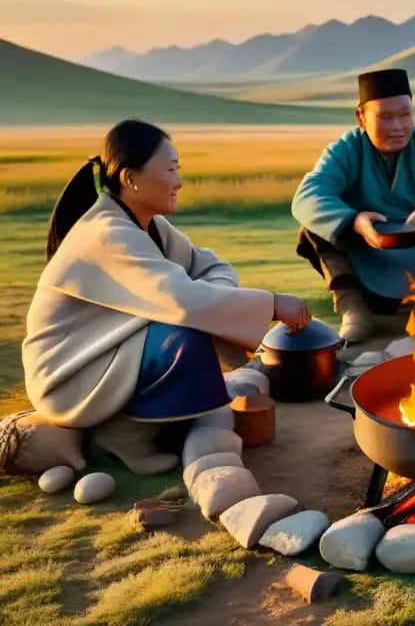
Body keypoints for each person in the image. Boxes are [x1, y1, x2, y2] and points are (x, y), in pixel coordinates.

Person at [19, 119, 310, 476]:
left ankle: (148, 422)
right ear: (130, 178)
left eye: (178, 169)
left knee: (196, 317)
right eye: (170, 169)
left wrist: (217, 301)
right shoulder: (107, 234)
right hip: (72, 373)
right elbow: (184, 302)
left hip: (110, 355)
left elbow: (210, 265)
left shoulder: (148, 225)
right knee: (185, 332)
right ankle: (124, 437)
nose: (179, 181)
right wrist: (273, 303)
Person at [292, 68, 415, 344]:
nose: (398, 126)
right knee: (313, 226)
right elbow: (308, 195)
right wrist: (355, 221)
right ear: (361, 118)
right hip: (367, 256)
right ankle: (353, 308)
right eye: (385, 117)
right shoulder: (345, 150)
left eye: (405, 115)